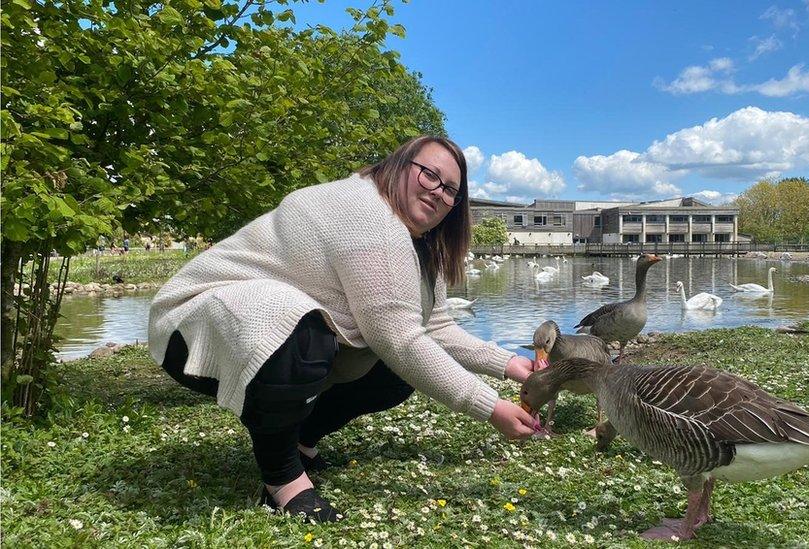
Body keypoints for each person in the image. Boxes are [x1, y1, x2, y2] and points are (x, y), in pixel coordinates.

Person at [148, 136, 538, 523]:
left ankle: (298, 440)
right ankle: (282, 478)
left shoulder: (415, 242)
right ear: (398, 166)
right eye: (429, 176)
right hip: (192, 325)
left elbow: (433, 326)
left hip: (265, 332)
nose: (438, 192)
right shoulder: (367, 216)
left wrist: (509, 364)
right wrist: (491, 407)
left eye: (451, 189)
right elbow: (398, 337)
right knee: (299, 327)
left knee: (395, 372)